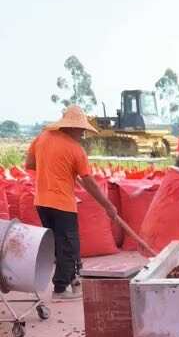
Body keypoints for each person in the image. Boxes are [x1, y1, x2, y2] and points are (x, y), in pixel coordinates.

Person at [25, 105, 118, 301]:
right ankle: (60, 289)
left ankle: (73, 282)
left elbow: (30, 164)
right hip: (62, 203)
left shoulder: (42, 138)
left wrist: (54, 168)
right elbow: (90, 183)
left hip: (41, 201)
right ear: (72, 127)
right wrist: (108, 206)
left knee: (58, 245)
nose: (83, 134)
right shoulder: (75, 150)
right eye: (81, 129)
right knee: (68, 245)